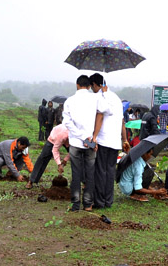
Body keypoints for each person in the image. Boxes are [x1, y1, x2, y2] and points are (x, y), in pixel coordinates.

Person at [91, 73, 129, 209]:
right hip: (115, 141)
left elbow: (100, 116)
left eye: (93, 87)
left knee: (100, 171)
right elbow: (122, 121)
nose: (92, 90)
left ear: (96, 85)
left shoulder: (101, 96)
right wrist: (124, 139)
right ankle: (108, 201)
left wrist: (94, 136)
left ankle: (100, 202)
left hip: (103, 139)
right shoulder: (117, 98)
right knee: (110, 170)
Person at [62, 75, 97, 212]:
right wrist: (90, 137)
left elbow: (67, 122)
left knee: (76, 173)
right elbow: (101, 116)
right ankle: (88, 204)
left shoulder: (70, 101)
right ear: (89, 86)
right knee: (90, 173)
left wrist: (81, 137)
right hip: (91, 142)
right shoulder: (95, 99)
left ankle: (75, 204)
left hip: (76, 143)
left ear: (77, 85)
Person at [27, 123, 70, 188]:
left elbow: (74, 151)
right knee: (43, 157)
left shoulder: (78, 136)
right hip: (54, 137)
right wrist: (59, 164)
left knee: (78, 156)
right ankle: (31, 181)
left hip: (67, 137)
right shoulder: (62, 135)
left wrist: (65, 160)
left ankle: (82, 183)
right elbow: (55, 150)